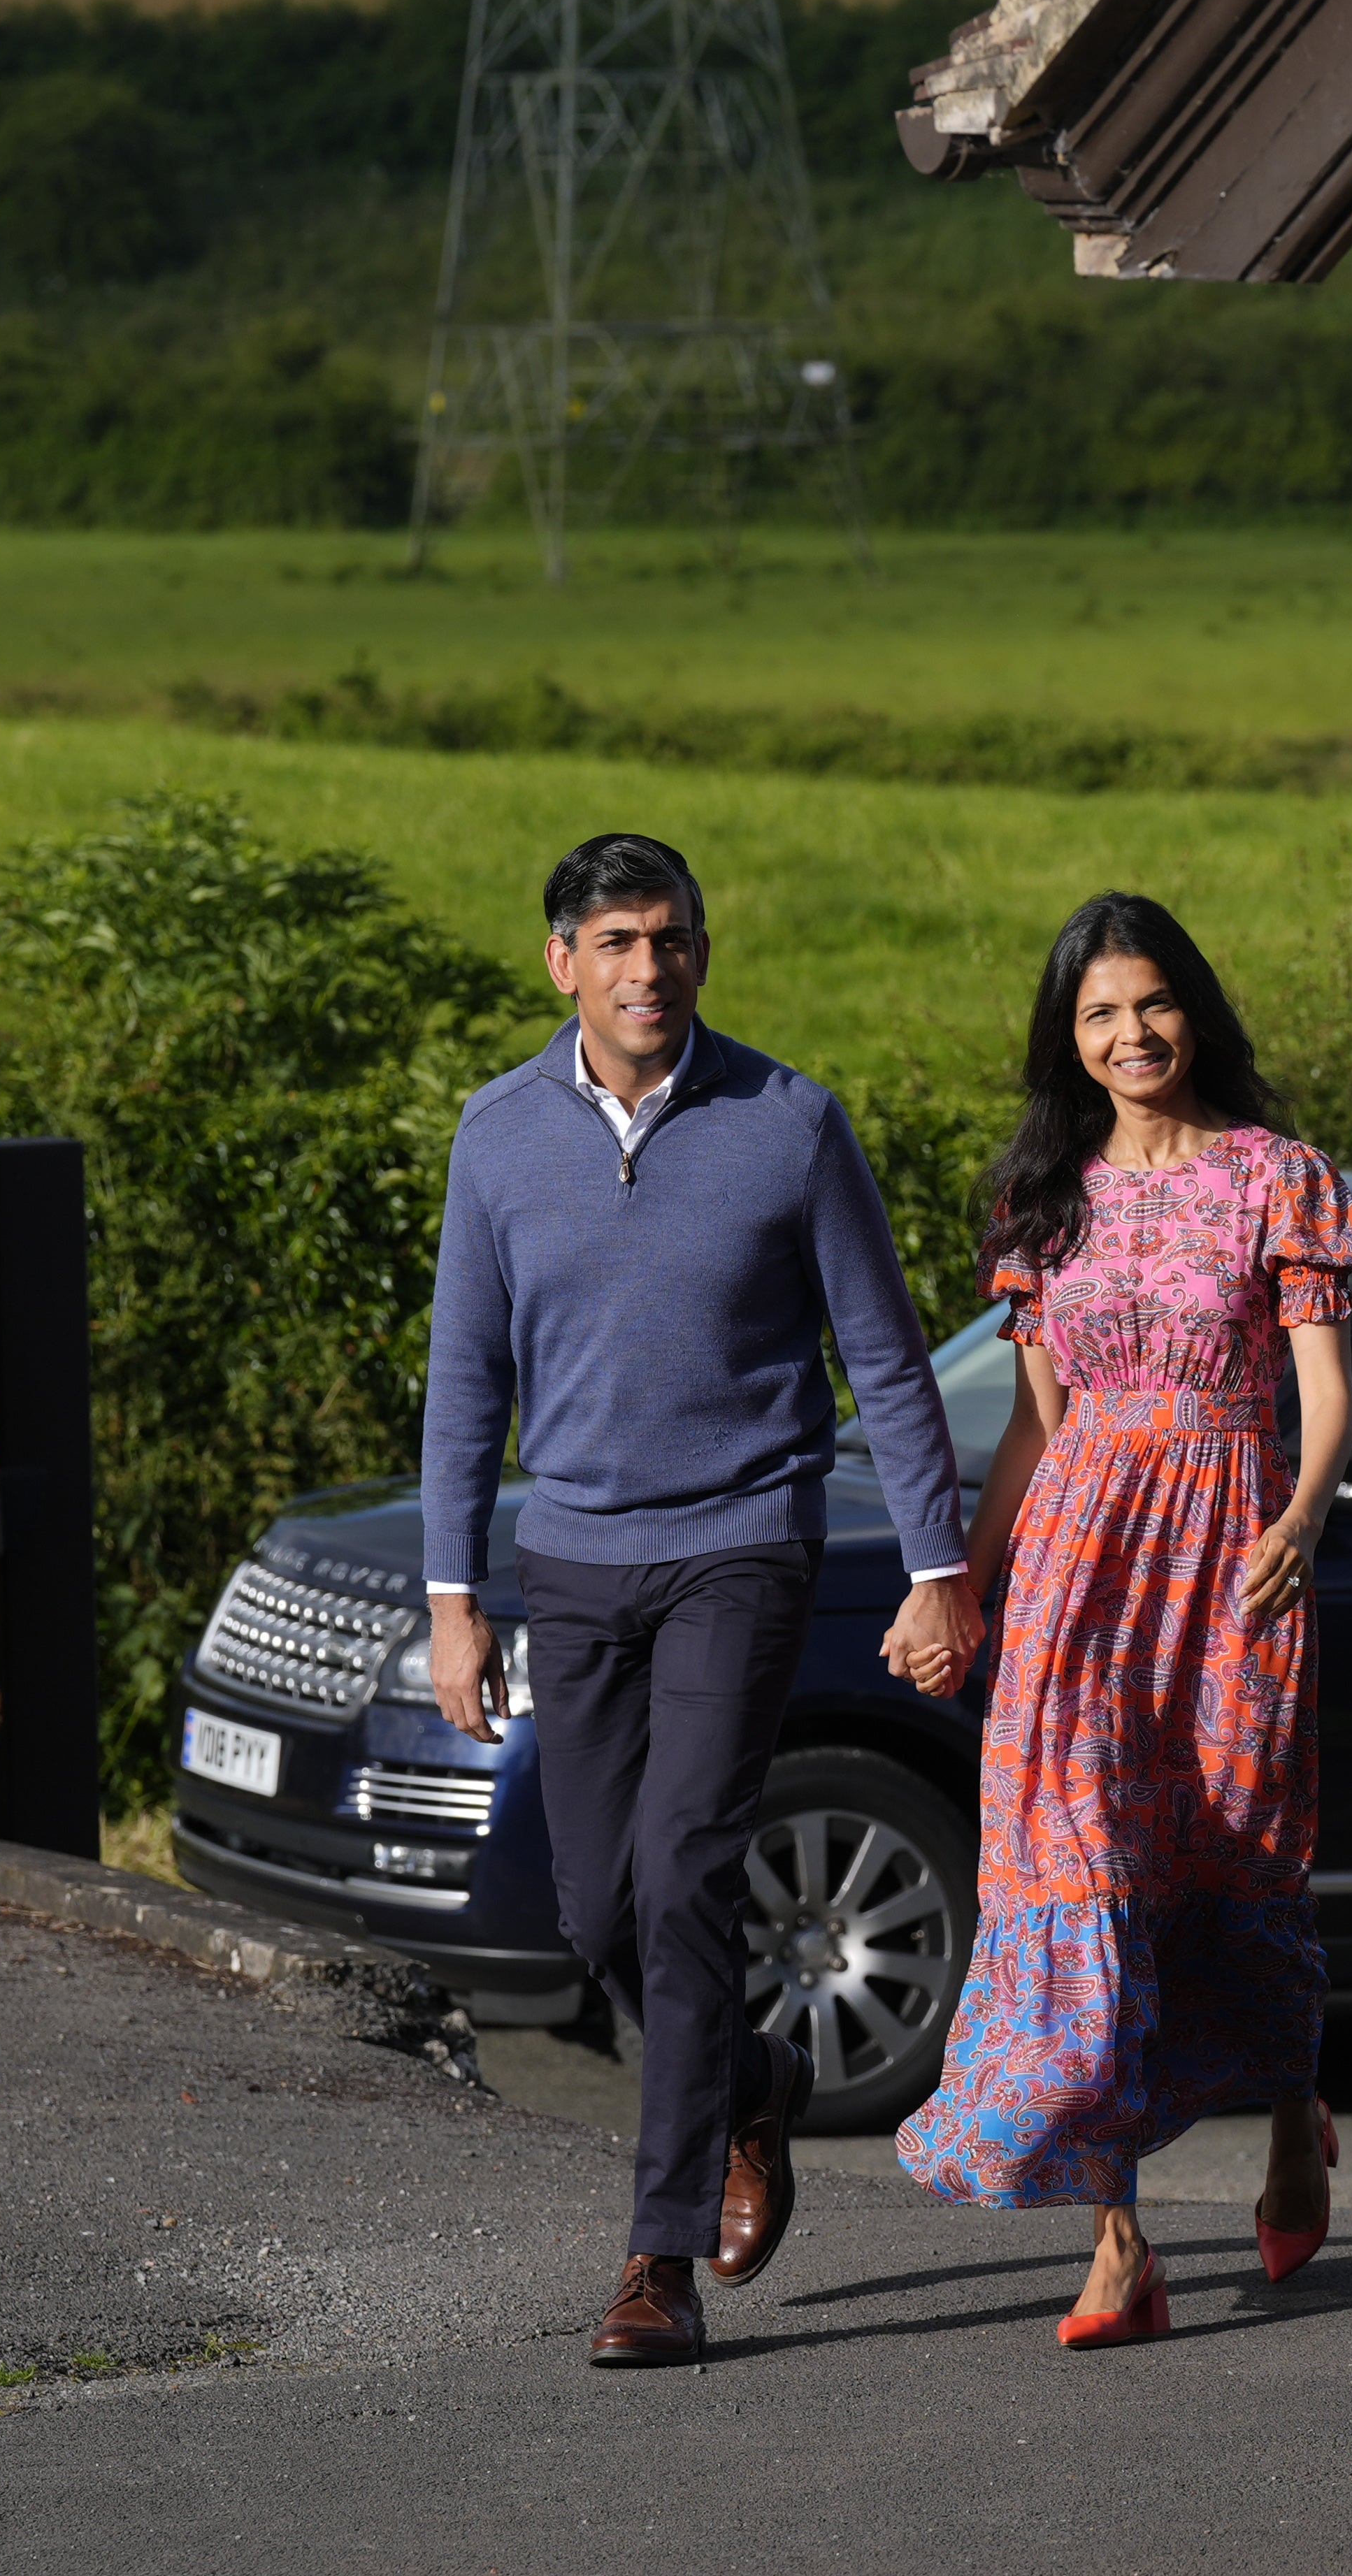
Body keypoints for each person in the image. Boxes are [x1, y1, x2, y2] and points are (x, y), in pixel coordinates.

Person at [419, 831, 982, 2368]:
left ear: (702, 953)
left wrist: (939, 1566)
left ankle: (654, 2255)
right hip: (575, 1559)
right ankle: (746, 2081)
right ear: (563, 963)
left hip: (744, 1541)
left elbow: (884, 1351)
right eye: (615, 941)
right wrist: (454, 1595)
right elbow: (466, 1376)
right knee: (598, 1901)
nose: (646, 967)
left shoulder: (790, 1122)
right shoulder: (496, 1134)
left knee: (684, 1870)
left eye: (670, 939)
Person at [889, 892, 1352, 2346]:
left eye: (1151, 1003)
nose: (1131, 1033)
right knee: (1079, 1862)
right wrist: (962, 1580)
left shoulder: (1274, 1175)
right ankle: (1120, 2242)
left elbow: (1326, 1386)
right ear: (1070, 1040)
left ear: (1193, 1010)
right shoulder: (1050, 1200)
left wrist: (1304, 1513)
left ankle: (1295, 2114)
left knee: (1230, 1846)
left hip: (1229, 1550)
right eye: (1099, 1013)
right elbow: (1037, 1433)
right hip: (1077, 1572)